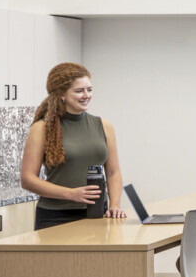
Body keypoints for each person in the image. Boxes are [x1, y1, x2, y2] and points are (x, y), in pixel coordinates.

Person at [21, 63, 127, 229]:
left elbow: (113, 172)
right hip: (55, 217)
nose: (86, 95)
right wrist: (71, 194)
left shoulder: (104, 125)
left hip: (98, 215)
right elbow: (28, 179)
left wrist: (114, 205)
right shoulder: (41, 128)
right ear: (61, 94)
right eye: (79, 91)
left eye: (89, 90)